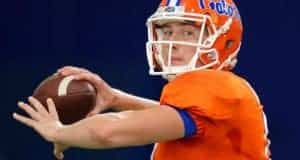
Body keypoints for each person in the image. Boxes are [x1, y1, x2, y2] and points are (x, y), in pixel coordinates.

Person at [13, 0, 271, 159]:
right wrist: (115, 98)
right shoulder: (221, 96)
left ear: (225, 40)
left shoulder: (215, 87)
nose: (173, 42)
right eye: (167, 31)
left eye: (189, 32)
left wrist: (59, 131)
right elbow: (175, 121)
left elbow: (109, 132)